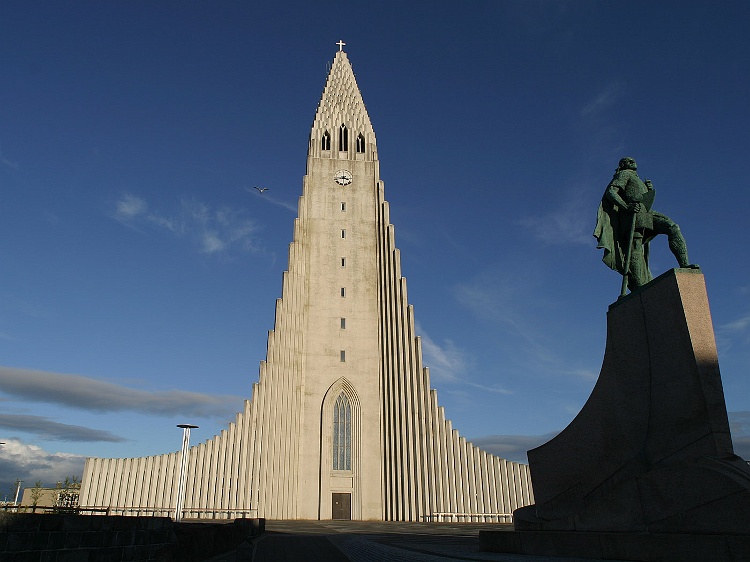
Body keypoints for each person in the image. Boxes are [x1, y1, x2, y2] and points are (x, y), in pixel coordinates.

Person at [594, 157, 698, 291]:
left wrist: (649, 191)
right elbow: (611, 193)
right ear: (623, 165)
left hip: (646, 213)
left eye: (633, 160)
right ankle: (639, 285)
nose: (633, 161)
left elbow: (642, 199)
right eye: (629, 161)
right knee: (635, 247)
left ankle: (684, 264)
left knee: (673, 227)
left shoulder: (636, 178)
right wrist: (626, 207)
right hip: (632, 215)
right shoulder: (624, 174)